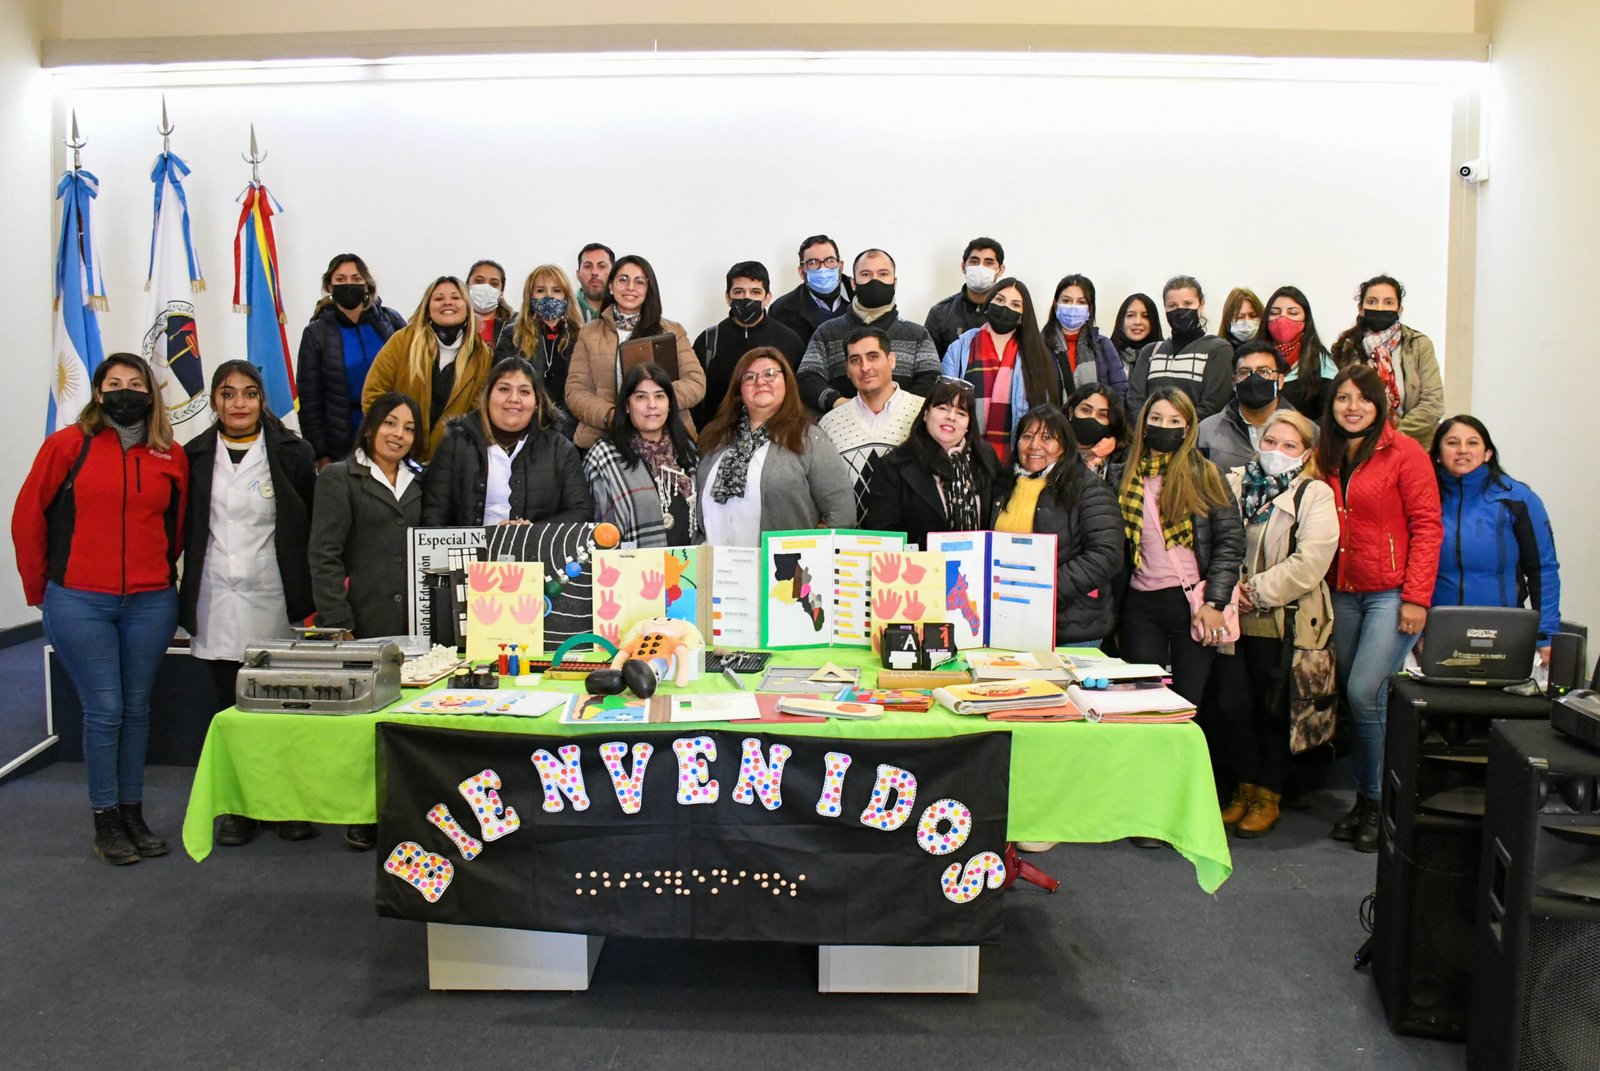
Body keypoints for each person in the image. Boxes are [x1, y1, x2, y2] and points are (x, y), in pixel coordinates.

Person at [12, 352, 188, 866]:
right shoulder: (67, 446)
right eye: (115, 383)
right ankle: (105, 818)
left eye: (136, 383)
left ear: (152, 395)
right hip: (79, 599)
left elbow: (176, 528)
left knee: (136, 710)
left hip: (150, 601)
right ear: (97, 392)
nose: (125, 391)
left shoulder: (169, 454)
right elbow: (28, 519)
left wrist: (158, 574)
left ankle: (133, 813)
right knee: (105, 709)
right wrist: (40, 591)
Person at [179, 360, 318, 848]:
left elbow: (309, 521)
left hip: (273, 598)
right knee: (228, 711)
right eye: (228, 393)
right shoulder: (193, 455)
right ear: (214, 401)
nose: (238, 403)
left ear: (263, 401)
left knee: (281, 709)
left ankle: (284, 805)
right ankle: (239, 807)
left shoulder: (292, 452)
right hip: (216, 597)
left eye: (249, 393)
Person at [1318, 365, 1442, 852]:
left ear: (1380, 403)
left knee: (1366, 692)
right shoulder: (1325, 453)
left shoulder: (1405, 453)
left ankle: (1379, 803)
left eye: (1362, 399)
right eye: (1343, 398)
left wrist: (1416, 598)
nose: (1352, 407)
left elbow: (1427, 527)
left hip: (1391, 593)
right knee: (1362, 701)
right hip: (1342, 592)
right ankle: (1374, 797)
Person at [308, 391, 425, 851]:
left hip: (414, 623)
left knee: (404, 723)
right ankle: (361, 816)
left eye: (409, 428)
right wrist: (338, 622)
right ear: (372, 426)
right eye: (391, 424)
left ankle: (399, 812)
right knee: (363, 725)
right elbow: (324, 556)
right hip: (362, 621)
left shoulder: (420, 480)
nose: (399, 434)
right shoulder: (339, 478)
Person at [1215, 410, 1338, 838]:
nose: (1277, 452)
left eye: (1289, 445)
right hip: (1232, 621)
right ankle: (1244, 786)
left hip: (1284, 619)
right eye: (1271, 442)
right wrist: (1230, 592)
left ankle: (1268, 793)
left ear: (1305, 453)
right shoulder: (1231, 484)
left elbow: (1312, 560)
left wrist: (1255, 592)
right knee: (1234, 707)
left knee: (1274, 710)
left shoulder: (1314, 494)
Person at [1115, 388, 1245, 705]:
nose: (1164, 426)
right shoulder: (1122, 475)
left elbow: (1230, 541)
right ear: (1144, 424)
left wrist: (1215, 602)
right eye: (1157, 418)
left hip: (1192, 602)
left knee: (1187, 703)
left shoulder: (1205, 474)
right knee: (1144, 703)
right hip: (1140, 604)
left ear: (1187, 429)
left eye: (1175, 420)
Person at [1431, 415, 1561, 664]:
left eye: (1472, 443)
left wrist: (1546, 635)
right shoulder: (1423, 498)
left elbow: (1542, 569)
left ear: (1488, 453)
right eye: (1452, 443)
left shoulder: (1518, 498)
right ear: (1437, 453)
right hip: (1437, 630)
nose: (1462, 451)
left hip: (1503, 629)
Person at [994, 405, 1124, 646]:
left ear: (1065, 446)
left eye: (1047, 438)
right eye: (1027, 436)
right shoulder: (1004, 486)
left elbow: (1106, 555)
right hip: (1010, 621)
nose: (1034, 446)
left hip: (1070, 626)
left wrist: (1045, 588)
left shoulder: (1088, 488)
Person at [698, 347, 855, 543]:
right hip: (713, 568)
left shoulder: (809, 439)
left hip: (780, 570)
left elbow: (842, 513)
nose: (760, 381)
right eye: (750, 377)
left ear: (787, 383)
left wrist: (811, 557)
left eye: (770, 374)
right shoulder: (714, 437)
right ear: (739, 389)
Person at [422, 356, 593, 527]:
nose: (513, 399)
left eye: (524, 392)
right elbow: (434, 514)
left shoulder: (560, 449)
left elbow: (581, 511)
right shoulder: (455, 443)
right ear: (487, 396)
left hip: (536, 551)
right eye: (504, 389)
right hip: (472, 552)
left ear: (536, 402)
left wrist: (531, 532)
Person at [566, 254, 704, 451]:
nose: (631, 287)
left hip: (668, 438)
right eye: (623, 279)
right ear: (611, 287)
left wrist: (653, 405)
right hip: (602, 439)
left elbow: (696, 382)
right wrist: (612, 416)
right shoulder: (589, 333)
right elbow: (575, 391)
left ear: (649, 289)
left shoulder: (672, 331)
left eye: (639, 281)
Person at [360, 276, 494, 463]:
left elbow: (478, 414)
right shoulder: (403, 341)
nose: (447, 302)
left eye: (456, 297)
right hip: (395, 458)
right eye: (438, 298)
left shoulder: (482, 356)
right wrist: (392, 439)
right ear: (428, 309)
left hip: (448, 463)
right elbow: (373, 394)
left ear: (468, 307)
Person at [861, 378, 1003, 548]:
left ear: (968, 425)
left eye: (961, 413)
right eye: (942, 408)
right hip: (919, 570)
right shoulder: (893, 465)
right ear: (926, 414)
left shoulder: (986, 458)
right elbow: (884, 537)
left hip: (977, 569)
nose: (951, 417)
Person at [295, 253, 407, 468]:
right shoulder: (316, 333)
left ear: (367, 284)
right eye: (341, 279)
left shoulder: (390, 321)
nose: (349, 284)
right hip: (341, 437)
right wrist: (320, 453)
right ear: (329, 286)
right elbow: (309, 400)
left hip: (391, 429)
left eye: (356, 279)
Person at [797, 248, 941, 413]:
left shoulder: (917, 335)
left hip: (904, 430)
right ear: (853, 283)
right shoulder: (827, 332)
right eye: (866, 274)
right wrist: (839, 403)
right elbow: (807, 378)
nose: (875, 281)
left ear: (894, 282)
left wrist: (896, 411)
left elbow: (932, 380)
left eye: (883, 274)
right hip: (841, 429)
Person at [940, 278, 1060, 467]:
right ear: (988, 304)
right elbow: (943, 403)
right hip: (963, 458)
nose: (1005, 308)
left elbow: (1046, 413)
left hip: (1016, 461)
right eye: (1000, 300)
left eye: (1015, 304)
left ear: (1022, 316)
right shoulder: (960, 348)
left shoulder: (1036, 355)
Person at [585, 363, 701, 547]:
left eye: (660, 396)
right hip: (632, 569)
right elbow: (599, 531)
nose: (652, 405)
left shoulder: (687, 449)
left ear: (670, 404)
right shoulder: (604, 455)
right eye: (641, 397)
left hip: (689, 567)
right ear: (627, 406)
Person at [818, 327, 925, 517]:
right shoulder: (829, 424)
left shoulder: (923, 413)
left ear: (891, 361)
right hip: (847, 541)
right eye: (855, 360)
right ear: (847, 370)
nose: (865, 367)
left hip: (909, 542)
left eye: (873, 356)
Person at [1330, 274, 1444, 448]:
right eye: (1372, 302)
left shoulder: (1419, 345)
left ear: (1399, 310)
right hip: (1360, 446)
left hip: (1413, 445)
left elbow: (1432, 402)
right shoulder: (1345, 348)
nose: (1380, 308)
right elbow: (1340, 402)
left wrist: (1393, 436)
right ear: (1361, 308)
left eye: (1388, 302)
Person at [691, 260, 805, 430]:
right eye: (739, 292)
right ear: (728, 297)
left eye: (755, 292)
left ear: (767, 298)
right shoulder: (707, 341)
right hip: (719, 439)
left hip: (777, 437)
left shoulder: (790, 340)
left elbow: (798, 397)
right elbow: (696, 401)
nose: (747, 298)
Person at [1125, 275, 1235, 422]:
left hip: (1196, 441)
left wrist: (1177, 429)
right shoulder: (1150, 352)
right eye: (1172, 306)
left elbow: (1213, 405)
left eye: (1188, 304)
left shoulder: (1218, 349)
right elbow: (1135, 401)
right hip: (1150, 438)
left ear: (1201, 305)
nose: (1180, 311)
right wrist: (1150, 428)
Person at [495, 263, 583, 440]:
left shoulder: (581, 336)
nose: (549, 296)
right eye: (541, 290)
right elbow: (499, 385)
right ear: (530, 296)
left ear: (566, 295)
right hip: (522, 428)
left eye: (557, 290)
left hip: (570, 432)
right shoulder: (512, 334)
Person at [1196, 341, 1295, 473]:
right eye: (1244, 372)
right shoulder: (1207, 431)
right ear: (1234, 382)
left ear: (1280, 380)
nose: (1254, 378)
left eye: (1264, 371)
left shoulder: (1305, 431)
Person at [1044, 274, 1128, 398]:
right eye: (1066, 301)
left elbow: (1120, 392)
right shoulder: (1039, 344)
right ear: (1056, 304)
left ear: (1090, 308)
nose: (1073, 307)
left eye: (1081, 302)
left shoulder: (1103, 345)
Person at [1263, 285, 1337, 419]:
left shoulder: (1322, 362)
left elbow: (1328, 416)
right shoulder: (1254, 357)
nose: (1282, 319)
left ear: (1305, 319)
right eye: (1274, 313)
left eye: (1292, 313)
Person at [924, 237, 1006, 358]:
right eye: (974, 261)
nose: (981, 268)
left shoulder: (1008, 313)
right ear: (963, 267)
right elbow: (928, 365)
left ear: (1000, 270)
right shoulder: (940, 313)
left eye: (988, 263)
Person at [768, 234, 851, 345]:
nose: (823, 268)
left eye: (830, 260)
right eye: (812, 263)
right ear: (802, 272)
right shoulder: (781, 309)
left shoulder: (861, 297)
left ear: (840, 266)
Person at [1066, 382, 1128, 482]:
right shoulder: (1050, 449)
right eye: (1086, 410)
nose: (1092, 418)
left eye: (1102, 415)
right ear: (1071, 412)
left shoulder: (1123, 461)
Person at [1110, 293, 1163, 376]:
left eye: (1145, 316)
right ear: (1121, 320)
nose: (1137, 322)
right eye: (1130, 315)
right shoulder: (1106, 354)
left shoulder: (1165, 354)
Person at [466, 259, 514, 347]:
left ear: (502, 291)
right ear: (467, 284)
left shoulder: (516, 325)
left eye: (494, 284)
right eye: (479, 281)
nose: (486, 287)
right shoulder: (454, 322)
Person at [574, 242, 614, 323]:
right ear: (578, 274)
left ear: (613, 273)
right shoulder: (564, 312)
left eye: (601, 266)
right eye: (588, 266)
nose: (594, 272)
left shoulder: (627, 311)